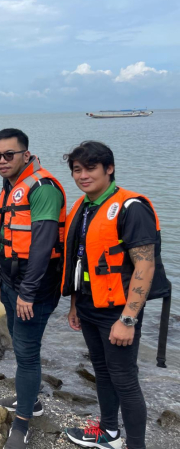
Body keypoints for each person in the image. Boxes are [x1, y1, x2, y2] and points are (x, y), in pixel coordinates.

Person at [61, 141, 170, 449]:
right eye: (77, 170)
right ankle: (109, 433)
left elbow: (145, 267)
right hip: (88, 305)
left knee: (124, 379)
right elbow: (80, 260)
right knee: (102, 370)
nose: (83, 176)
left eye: (90, 168)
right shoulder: (83, 207)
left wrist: (128, 318)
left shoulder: (130, 207)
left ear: (109, 169)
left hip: (117, 311)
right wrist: (73, 305)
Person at [0, 129, 66, 449]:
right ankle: (30, 401)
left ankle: (22, 423)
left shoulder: (42, 188)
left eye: (9, 155)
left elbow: (43, 244)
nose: (2, 161)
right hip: (10, 283)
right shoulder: (11, 185)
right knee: (20, 346)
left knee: (27, 354)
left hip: (32, 288)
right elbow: (5, 234)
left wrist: (28, 292)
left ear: (25, 154)